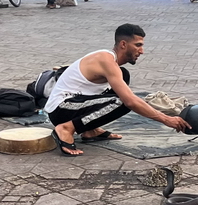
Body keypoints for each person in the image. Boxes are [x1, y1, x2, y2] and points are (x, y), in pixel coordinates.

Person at [45, 23, 190, 156]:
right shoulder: (106, 60)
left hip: (75, 104)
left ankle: (90, 130)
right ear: (123, 44)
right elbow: (130, 102)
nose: (142, 51)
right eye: (138, 45)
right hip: (61, 110)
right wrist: (166, 119)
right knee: (123, 102)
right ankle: (66, 129)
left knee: (124, 76)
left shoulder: (113, 64)